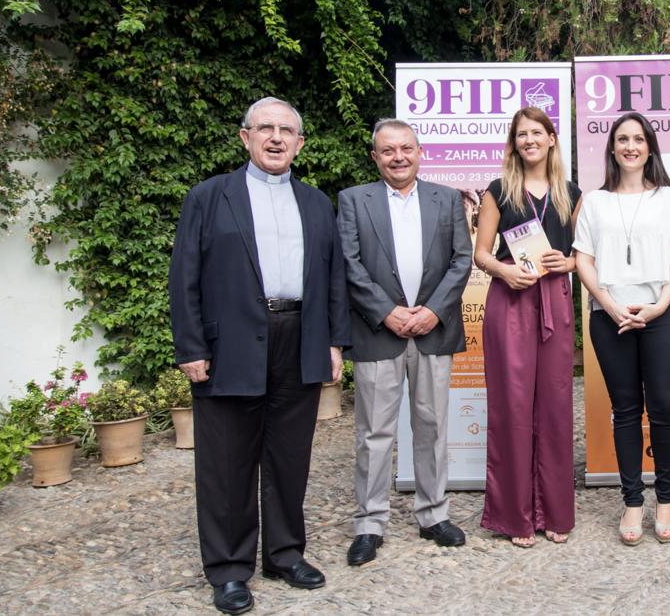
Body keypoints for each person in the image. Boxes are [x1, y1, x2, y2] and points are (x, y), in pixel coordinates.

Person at [169, 96, 349, 615]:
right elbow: (184, 277)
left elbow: (333, 277)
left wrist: (335, 342)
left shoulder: (316, 202)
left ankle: (286, 554)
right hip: (229, 346)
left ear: (299, 143)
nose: (275, 137)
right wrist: (191, 347)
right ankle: (228, 569)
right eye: (264, 128)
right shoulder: (209, 197)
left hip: (300, 335)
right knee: (227, 461)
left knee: (290, 456)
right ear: (244, 137)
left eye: (286, 130)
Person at [336, 119, 473, 567]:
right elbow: (350, 264)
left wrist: (433, 310)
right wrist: (388, 312)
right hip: (379, 332)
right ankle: (370, 524)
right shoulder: (354, 200)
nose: (398, 156)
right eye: (388, 150)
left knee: (432, 427)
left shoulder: (447, 198)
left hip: (433, 330)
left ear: (420, 152)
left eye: (406, 148)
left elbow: (462, 260)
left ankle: (434, 514)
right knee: (374, 434)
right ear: (375, 157)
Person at [573, 111, 670, 545]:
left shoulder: (669, 199)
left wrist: (660, 304)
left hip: (664, 314)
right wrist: (607, 302)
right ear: (612, 148)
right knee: (624, 410)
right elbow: (583, 259)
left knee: (663, 407)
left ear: (649, 147)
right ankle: (632, 502)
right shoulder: (595, 200)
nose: (630, 146)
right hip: (610, 317)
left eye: (638, 139)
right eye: (622, 139)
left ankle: (665, 500)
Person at [475, 107, 582, 548]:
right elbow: (480, 253)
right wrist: (503, 271)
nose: (529, 140)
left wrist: (569, 261)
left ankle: (554, 511)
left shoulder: (570, 193)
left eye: (537, 133)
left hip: (554, 300)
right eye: (522, 134)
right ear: (514, 142)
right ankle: (515, 516)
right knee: (512, 408)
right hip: (511, 302)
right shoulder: (499, 191)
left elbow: (584, 255)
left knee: (555, 407)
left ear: (552, 139)